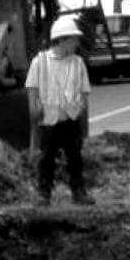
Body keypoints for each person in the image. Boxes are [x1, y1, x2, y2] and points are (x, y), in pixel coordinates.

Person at [25, 14, 93, 206]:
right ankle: (44, 193)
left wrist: (82, 113)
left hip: (70, 118)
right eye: (73, 39)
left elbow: (84, 91)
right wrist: (33, 108)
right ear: (62, 40)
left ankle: (79, 192)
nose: (76, 43)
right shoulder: (40, 61)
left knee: (75, 156)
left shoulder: (77, 63)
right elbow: (32, 86)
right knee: (47, 158)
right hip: (49, 119)